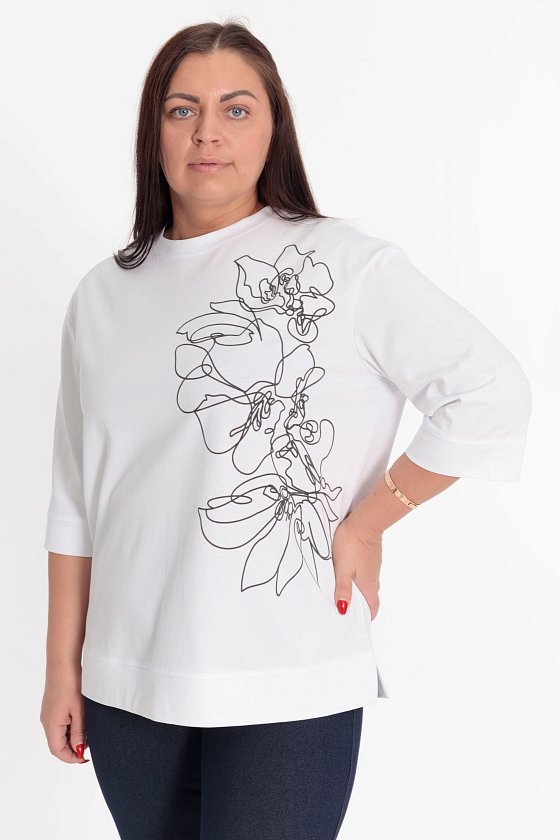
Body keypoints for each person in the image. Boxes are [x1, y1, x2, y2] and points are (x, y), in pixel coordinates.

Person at [39, 19, 533, 840]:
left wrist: (369, 522)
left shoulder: (342, 263)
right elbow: (74, 501)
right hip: (127, 687)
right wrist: (64, 668)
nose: (207, 132)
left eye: (236, 109)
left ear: (275, 128)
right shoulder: (101, 296)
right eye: (182, 109)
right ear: (152, 130)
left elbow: (491, 392)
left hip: (288, 678)